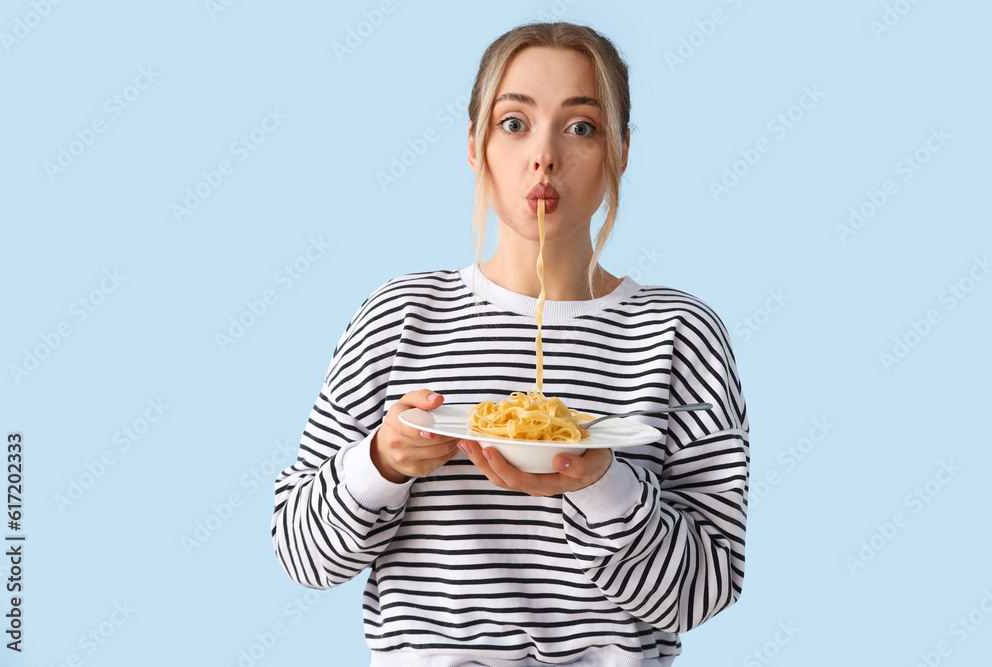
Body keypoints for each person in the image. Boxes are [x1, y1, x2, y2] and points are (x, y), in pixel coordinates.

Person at [272, 21, 749, 667]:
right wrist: (381, 460)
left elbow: (706, 588)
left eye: (581, 126)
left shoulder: (679, 332)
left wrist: (602, 484)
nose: (544, 155)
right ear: (475, 145)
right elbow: (302, 554)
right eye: (514, 123)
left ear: (621, 150)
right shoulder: (400, 314)